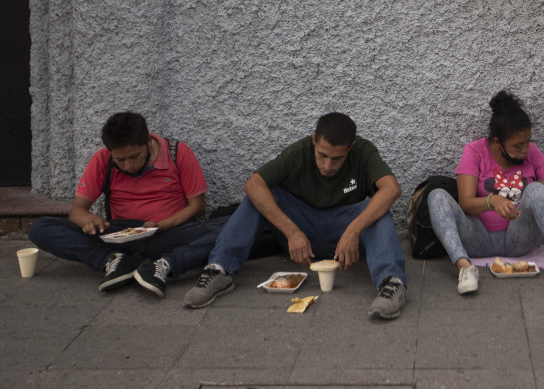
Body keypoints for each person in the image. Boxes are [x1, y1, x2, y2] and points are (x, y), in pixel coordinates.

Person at [183, 112, 408, 319]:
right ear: (313, 141)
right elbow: (253, 184)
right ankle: (219, 270)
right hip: (302, 228)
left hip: (343, 232)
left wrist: (354, 230)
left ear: (351, 147)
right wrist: (291, 231)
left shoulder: (364, 152)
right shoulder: (298, 151)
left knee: (379, 209)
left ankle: (392, 283)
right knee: (262, 195)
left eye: (337, 158)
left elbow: (392, 189)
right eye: (322, 155)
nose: (328, 165)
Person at [427, 90, 544, 296]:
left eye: (528, 141)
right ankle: (465, 269)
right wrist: (492, 201)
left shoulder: (532, 153)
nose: (525, 149)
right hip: (478, 238)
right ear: (496, 142)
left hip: (519, 238)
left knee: (538, 189)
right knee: (437, 196)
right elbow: (465, 203)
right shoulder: (474, 152)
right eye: (517, 145)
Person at [28, 111, 226, 298]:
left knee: (232, 225)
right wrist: (88, 220)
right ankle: (113, 260)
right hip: (122, 235)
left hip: (168, 233)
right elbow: (77, 211)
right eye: (120, 160)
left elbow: (197, 207)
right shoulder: (102, 159)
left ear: (148, 141)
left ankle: (167, 263)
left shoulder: (178, 152)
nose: (128, 165)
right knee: (40, 228)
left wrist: (162, 225)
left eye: (134, 157)